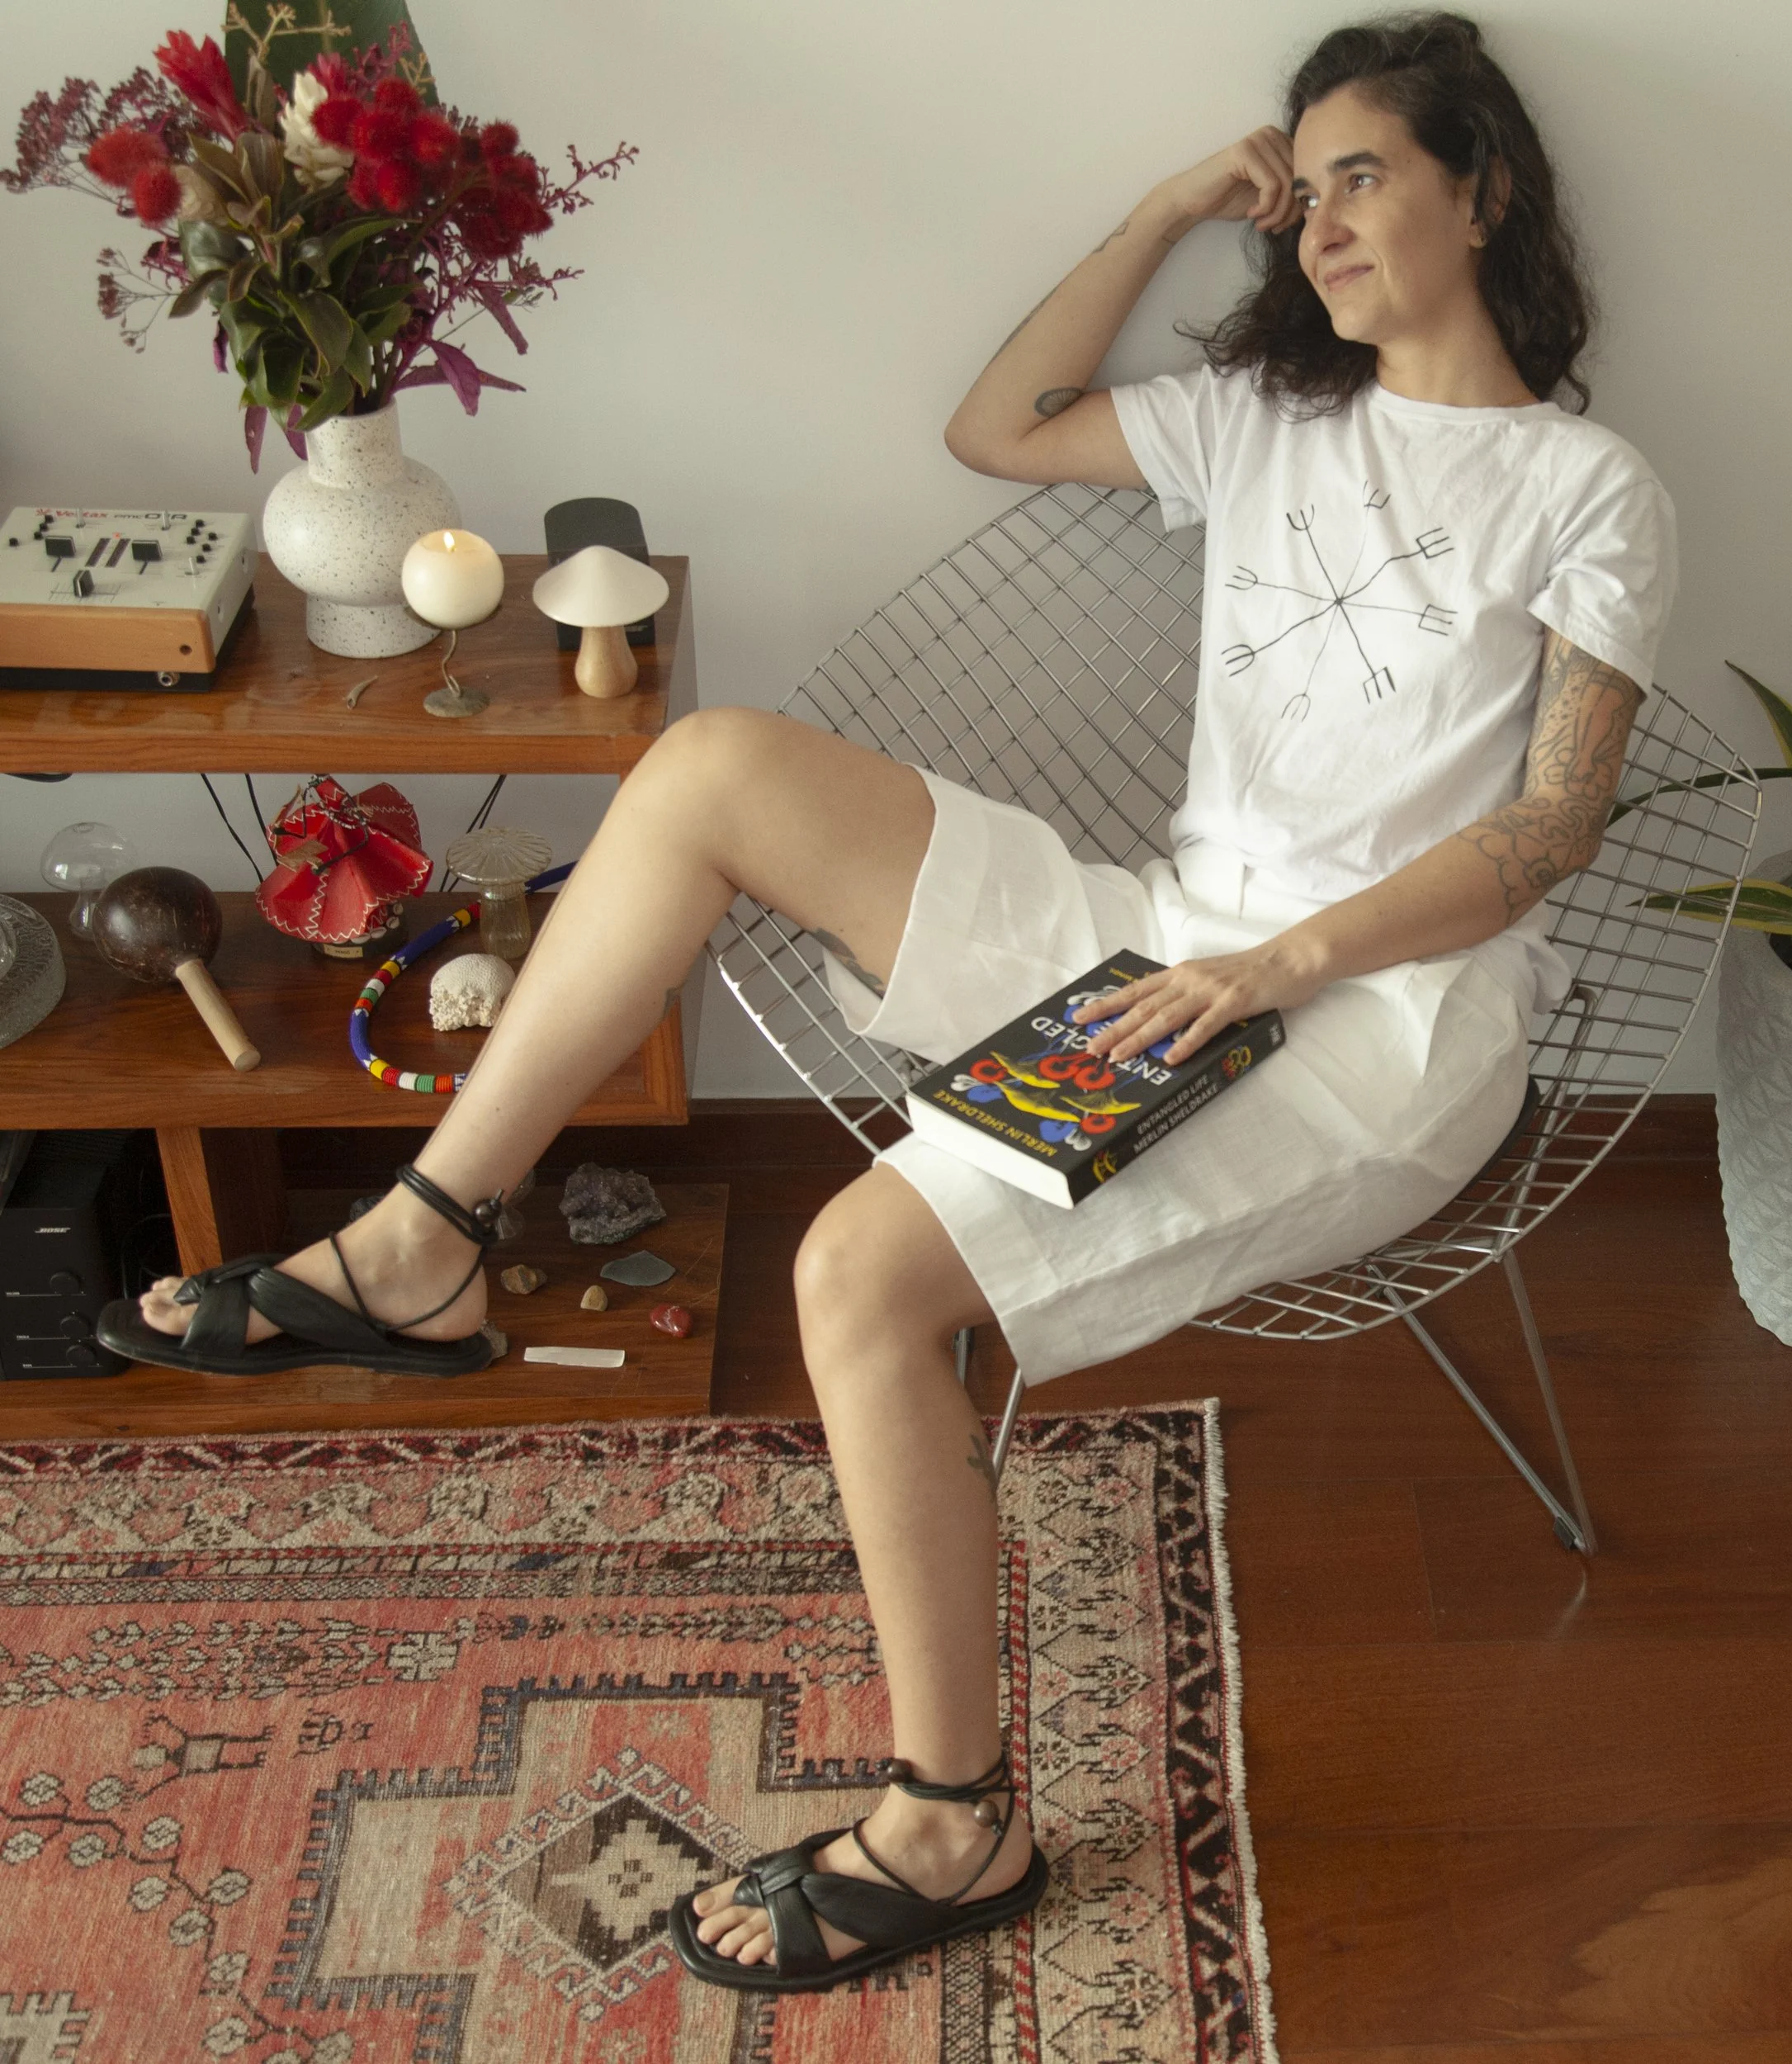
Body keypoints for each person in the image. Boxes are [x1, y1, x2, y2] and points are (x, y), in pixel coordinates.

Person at [97, 9, 1676, 1995]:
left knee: (853, 1275)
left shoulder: (1585, 486)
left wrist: (1272, 966)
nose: (1325, 224)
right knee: (708, 767)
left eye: (1364, 172)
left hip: (1370, 1023)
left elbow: (1546, 835)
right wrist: (1174, 201)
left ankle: (957, 1813)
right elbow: (996, 425)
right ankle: (433, 1231)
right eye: (1306, 185)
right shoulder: (1272, 415)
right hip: (1159, 928)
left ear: (1487, 186)